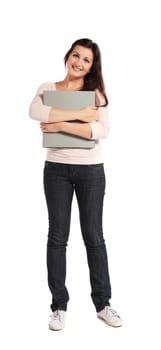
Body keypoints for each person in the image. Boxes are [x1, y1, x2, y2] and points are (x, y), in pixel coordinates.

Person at [29, 38, 123, 330]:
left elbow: (101, 130)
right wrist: (79, 116)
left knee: (94, 236)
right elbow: (36, 113)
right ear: (67, 56)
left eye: (86, 60)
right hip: (56, 170)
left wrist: (60, 125)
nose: (79, 63)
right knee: (57, 237)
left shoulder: (95, 94)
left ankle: (103, 304)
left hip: (90, 171)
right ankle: (59, 306)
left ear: (92, 66)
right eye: (76, 55)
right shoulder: (47, 88)